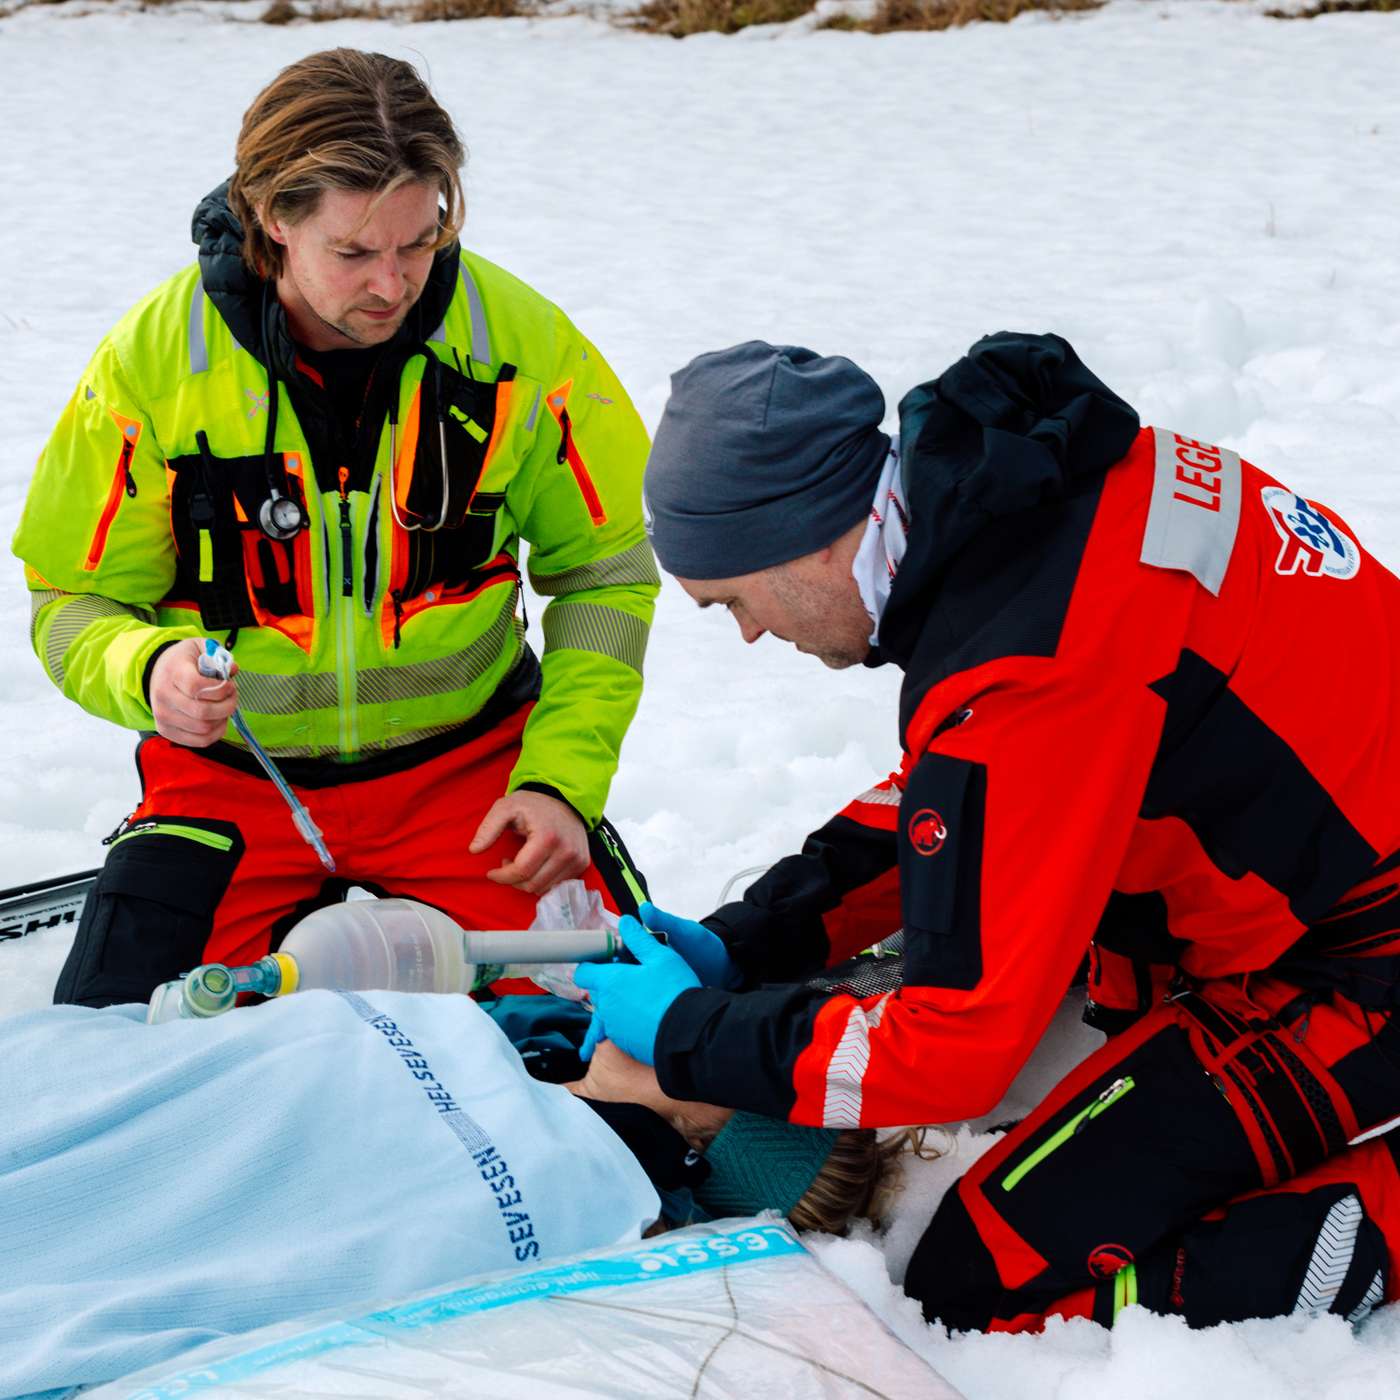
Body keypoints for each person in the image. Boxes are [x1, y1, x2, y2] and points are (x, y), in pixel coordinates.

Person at [573, 335, 1400, 1333]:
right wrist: (758, 935)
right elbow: (972, 792)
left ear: (803, 537)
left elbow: (953, 1043)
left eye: (731, 601)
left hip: (1354, 962)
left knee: (981, 1276)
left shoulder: (1030, 661)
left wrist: (685, 1037)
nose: (750, 634)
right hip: (1306, 860)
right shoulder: (1031, 498)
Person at [12, 49, 658, 1009]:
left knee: (622, 1037)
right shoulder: (151, 366)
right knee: (124, 1050)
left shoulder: (527, 349)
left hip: (475, 781)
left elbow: (605, 578)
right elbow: (69, 599)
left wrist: (561, 780)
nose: (394, 286)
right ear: (272, 220)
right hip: (235, 786)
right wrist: (144, 672)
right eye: (354, 253)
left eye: (421, 241)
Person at [0, 987, 894, 1397]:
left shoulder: (574, 1181)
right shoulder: (501, 1043)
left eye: (720, 1061)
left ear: (707, 1133)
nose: (697, 1027)